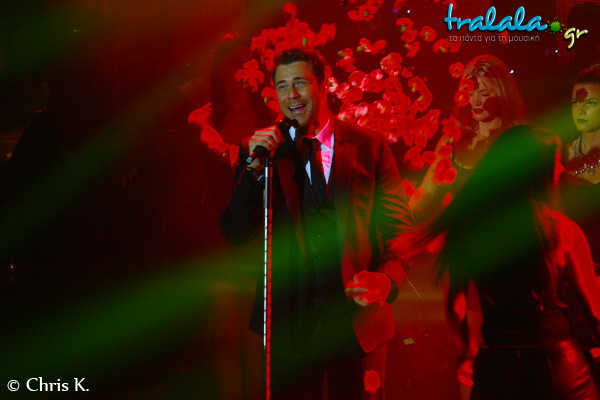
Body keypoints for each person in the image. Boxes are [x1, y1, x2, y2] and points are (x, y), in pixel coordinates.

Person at [220, 47, 413, 399]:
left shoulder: (370, 146)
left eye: (300, 83)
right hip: (289, 329)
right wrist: (252, 172)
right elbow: (234, 232)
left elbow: (400, 231)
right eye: (282, 86)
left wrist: (387, 280)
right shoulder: (260, 150)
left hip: (357, 328)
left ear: (323, 86)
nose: (291, 95)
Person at [394, 125, 600, 400]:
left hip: (496, 368)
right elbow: (594, 313)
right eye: (556, 161)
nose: (561, 169)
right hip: (557, 365)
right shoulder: (563, 230)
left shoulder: (472, 229)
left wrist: (466, 350)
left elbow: (455, 307)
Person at [411, 54, 526, 221]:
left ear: (503, 94)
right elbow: (427, 192)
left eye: (485, 93)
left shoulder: (518, 142)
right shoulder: (451, 141)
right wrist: (402, 221)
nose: (476, 101)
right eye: (470, 93)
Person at [561, 63, 600, 385]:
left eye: (591, 102)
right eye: (576, 102)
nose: (581, 110)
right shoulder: (558, 156)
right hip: (570, 288)